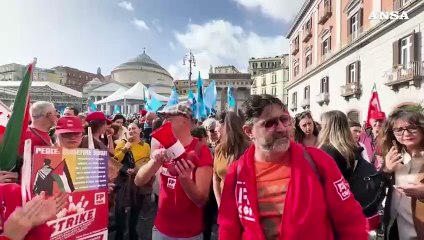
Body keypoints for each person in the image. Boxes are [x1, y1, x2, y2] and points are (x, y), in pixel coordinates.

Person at [218, 94, 367, 240]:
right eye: (270, 123)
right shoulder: (237, 172)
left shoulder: (319, 161)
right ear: (249, 131)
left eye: (284, 120)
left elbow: (350, 220)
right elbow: (228, 228)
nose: (282, 128)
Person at [135, 102, 213, 240]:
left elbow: (201, 200)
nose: (164, 122)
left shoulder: (201, 150)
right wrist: (154, 162)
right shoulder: (162, 146)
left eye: (169, 118)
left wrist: (185, 179)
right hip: (161, 228)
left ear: (185, 120)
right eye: (164, 118)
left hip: (189, 233)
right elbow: (139, 181)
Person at [380, 108, 424, 239]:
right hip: (396, 227)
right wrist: (386, 171)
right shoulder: (393, 156)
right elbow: (377, 189)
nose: (406, 134)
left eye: (412, 128)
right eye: (399, 130)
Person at [114, 123, 151, 240]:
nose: (131, 130)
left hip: (138, 181)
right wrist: (126, 146)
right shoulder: (122, 143)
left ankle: (132, 233)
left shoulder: (145, 145)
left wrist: (139, 170)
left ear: (140, 130)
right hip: (124, 181)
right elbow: (116, 159)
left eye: (134, 128)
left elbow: (148, 161)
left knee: (136, 209)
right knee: (120, 211)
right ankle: (119, 234)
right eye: (129, 129)